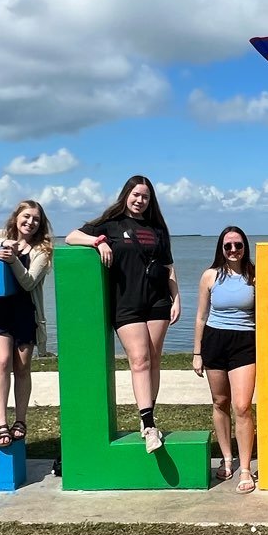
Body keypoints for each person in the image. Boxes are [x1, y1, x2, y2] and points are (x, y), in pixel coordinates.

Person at [67, 176, 180, 453]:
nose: (140, 201)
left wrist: (176, 298)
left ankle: (147, 417)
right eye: (136, 195)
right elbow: (71, 236)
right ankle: (149, 424)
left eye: (145, 197)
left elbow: (168, 267)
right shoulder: (110, 223)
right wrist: (98, 242)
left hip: (157, 302)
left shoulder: (157, 229)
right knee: (139, 360)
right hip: (126, 303)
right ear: (126, 194)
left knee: (153, 359)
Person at [0, 199, 53, 448]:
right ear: (16, 217)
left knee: (22, 367)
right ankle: (0, 422)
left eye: (36, 219)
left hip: (25, 312)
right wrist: (3, 243)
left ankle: (20, 420)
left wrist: (13, 260)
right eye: (26, 216)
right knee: (2, 362)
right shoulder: (5, 236)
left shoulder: (42, 249)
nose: (30, 222)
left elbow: (28, 282)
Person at [192, 224, 257, 492]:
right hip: (215, 341)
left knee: (242, 406)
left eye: (238, 245)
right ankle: (226, 459)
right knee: (220, 402)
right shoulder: (210, 276)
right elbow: (201, 316)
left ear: (245, 248)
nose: (233, 250)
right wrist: (197, 353)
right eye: (228, 245)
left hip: (245, 343)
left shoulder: (255, 276)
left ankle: (245, 468)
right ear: (221, 248)